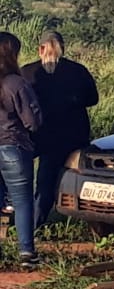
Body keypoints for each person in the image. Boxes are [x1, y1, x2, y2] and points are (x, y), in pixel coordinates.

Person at [21, 31, 99, 227]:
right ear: (62, 49)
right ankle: (39, 221)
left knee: (32, 180)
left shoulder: (28, 72)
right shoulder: (77, 71)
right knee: (57, 180)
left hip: (38, 135)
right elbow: (93, 99)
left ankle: (29, 223)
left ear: (40, 49)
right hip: (72, 135)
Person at [0, 32, 43, 267]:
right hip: (13, 146)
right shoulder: (16, 83)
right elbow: (32, 121)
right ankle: (27, 252)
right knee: (23, 201)